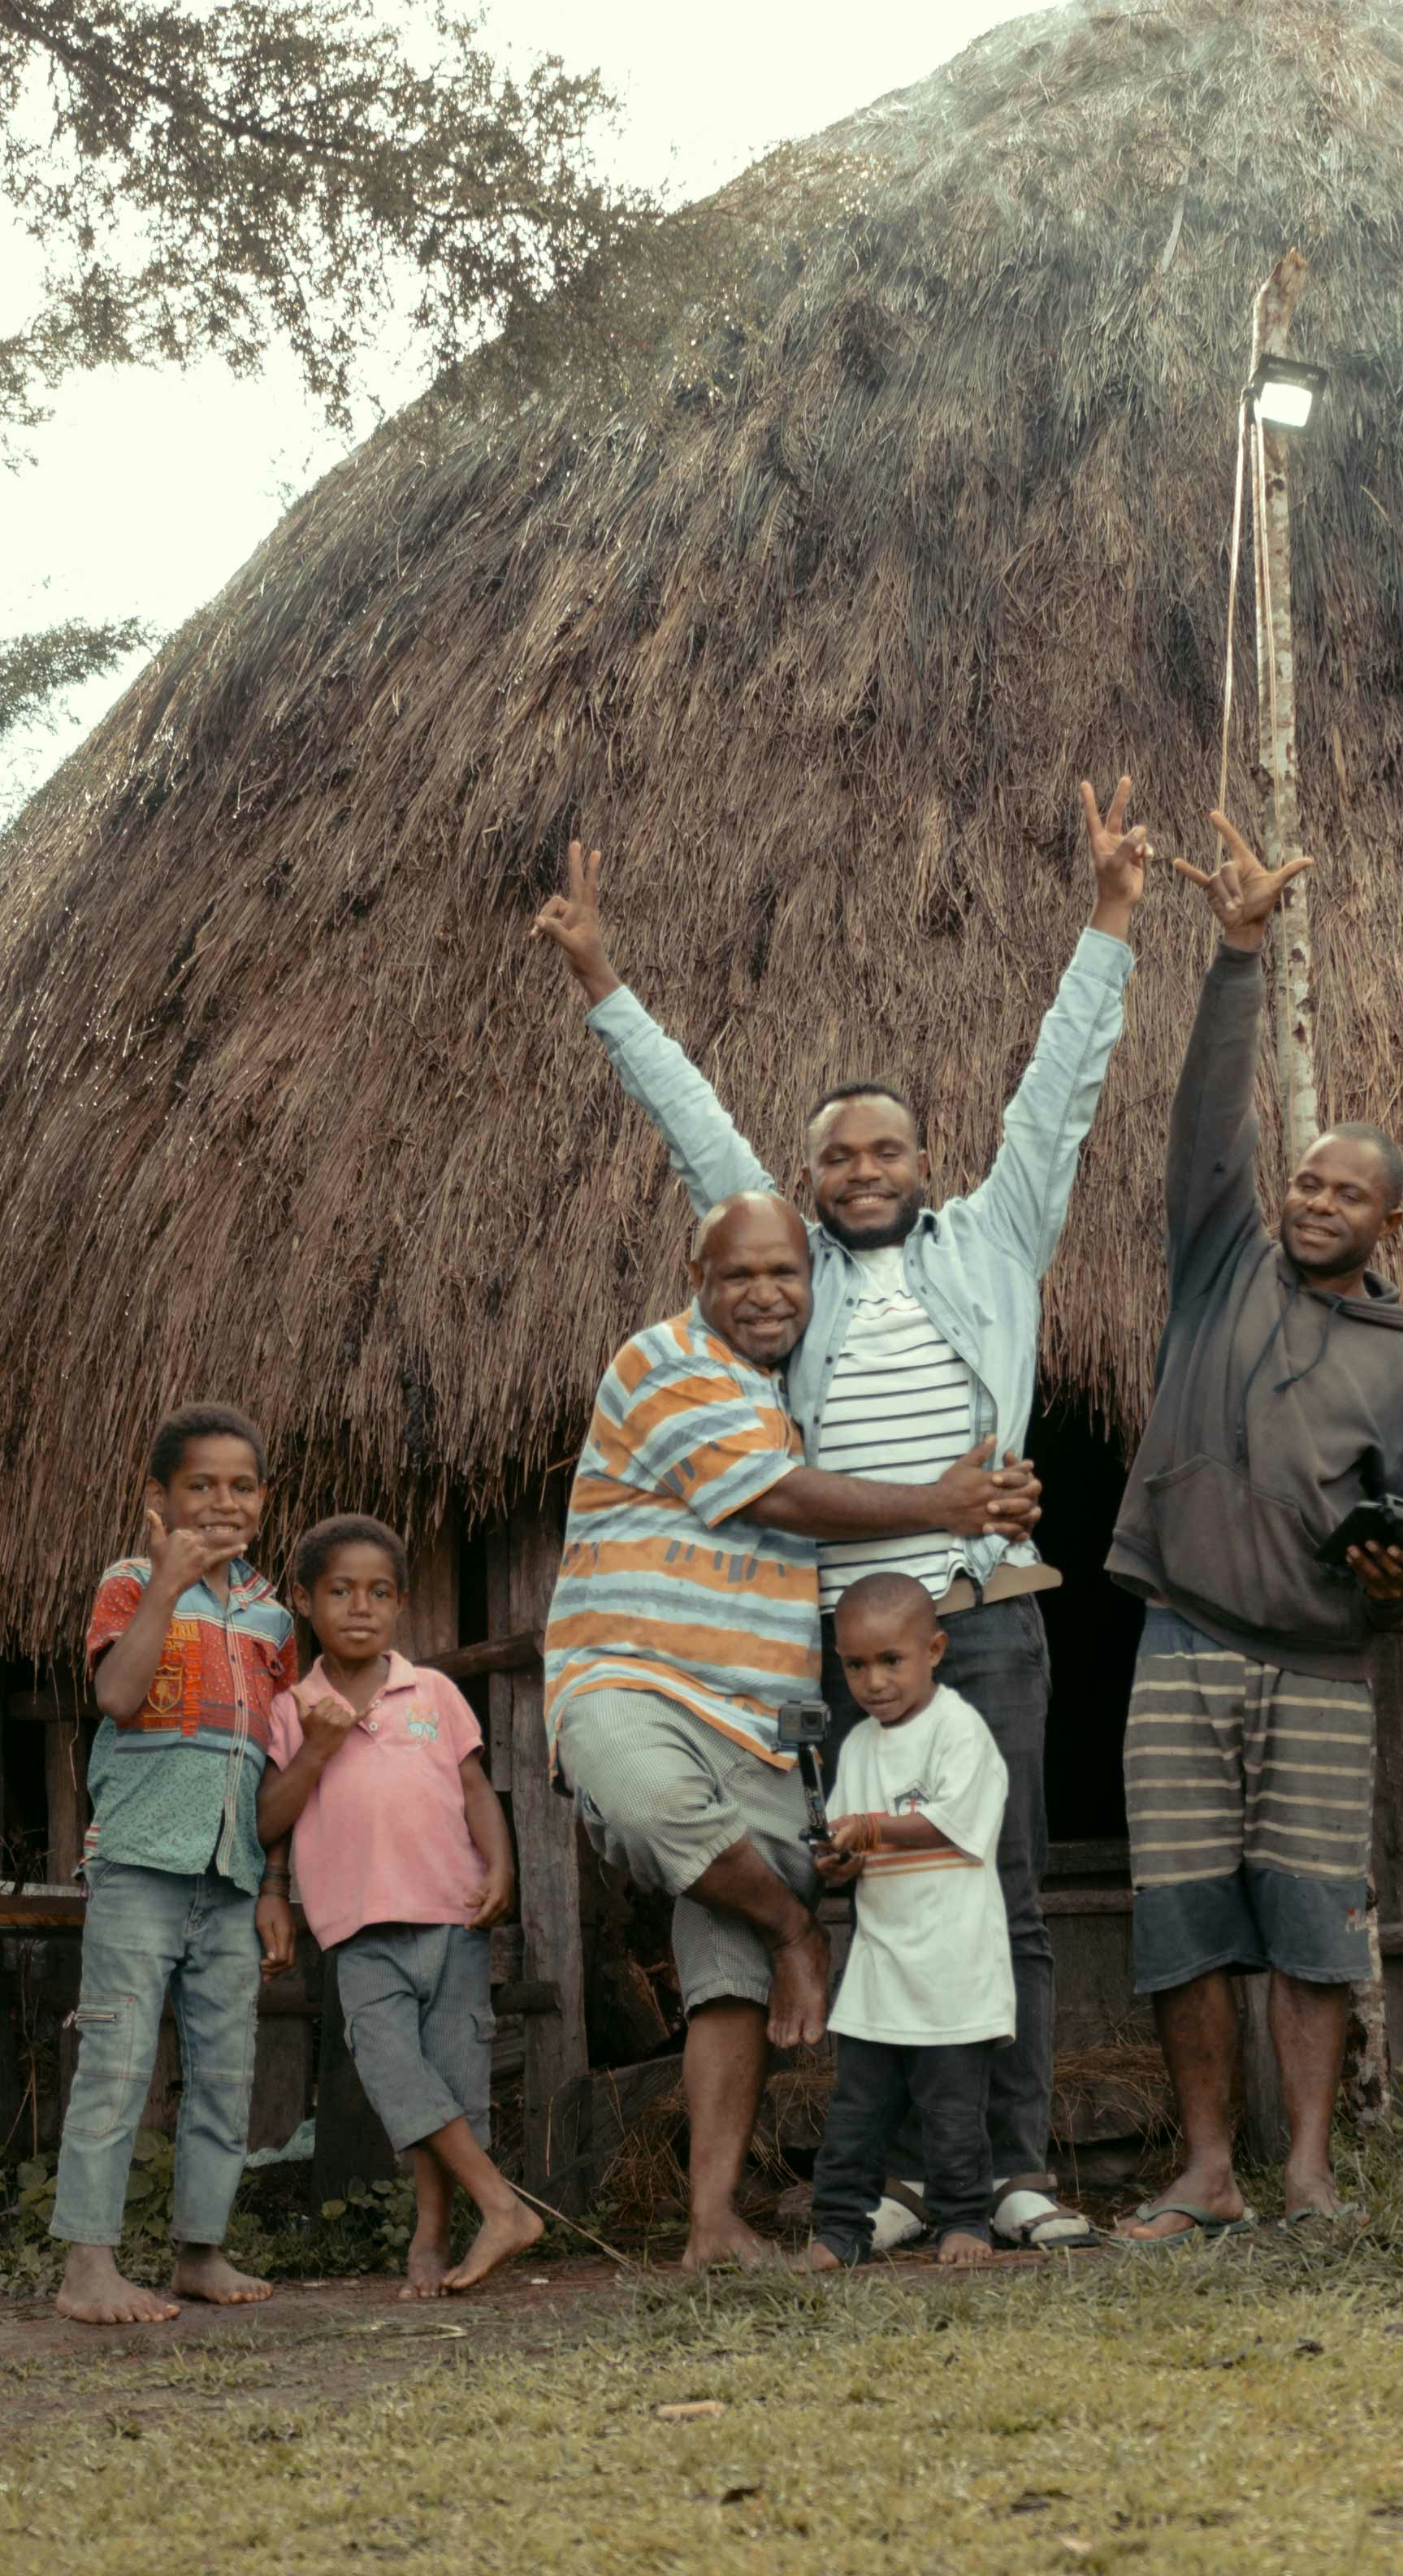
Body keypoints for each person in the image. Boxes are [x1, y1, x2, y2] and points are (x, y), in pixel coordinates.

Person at [530, 779, 1149, 2253]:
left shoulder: (995, 1243)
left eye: (883, 1151)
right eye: (835, 1160)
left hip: (975, 1617)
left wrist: (1111, 917)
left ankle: (998, 2170)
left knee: (995, 1894)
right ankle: (882, 2179)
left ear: (922, 1164)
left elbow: (1057, 1089)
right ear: (804, 1186)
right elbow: (693, 1129)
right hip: (826, 1636)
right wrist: (602, 981)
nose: (859, 1173)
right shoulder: (782, 1281)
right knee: (871, 1891)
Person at [546, 1188, 1041, 2268]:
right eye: (740, 1275)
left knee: (723, 1956)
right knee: (658, 1812)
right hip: (633, 1675)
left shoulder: (796, 1394)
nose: (766, 1293)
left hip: (759, 1717)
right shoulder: (662, 1365)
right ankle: (799, 1932)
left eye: (786, 1274)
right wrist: (942, 1505)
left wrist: (998, 1495)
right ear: (698, 1280)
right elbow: (781, 1499)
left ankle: (714, 2220)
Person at [1105, 813, 1403, 2246]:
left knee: (1309, 1919)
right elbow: (1203, 1116)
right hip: (1179, 1640)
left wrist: (1389, 1567)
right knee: (1182, 1911)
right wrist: (1235, 951)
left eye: (1342, 1191)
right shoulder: (1214, 1262)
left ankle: (1303, 2172)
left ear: (1385, 1218)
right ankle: (1205, 2170)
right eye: (1302, 1179)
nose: (1311, 1200)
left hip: (1318, 1668)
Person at [54, 1402, 299, 2325]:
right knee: (116, 2060)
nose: (222, 1502)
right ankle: (88, 2267)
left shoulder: (273, 1617)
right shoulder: (128, 1582)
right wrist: (166, 1583)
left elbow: (278, 1761)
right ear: (158, 1497)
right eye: (201, 1485)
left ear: (265, 1501)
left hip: (231, 1876)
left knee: (226, 2069)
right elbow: (118, 1695)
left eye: (241, 1487)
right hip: (140, 1866)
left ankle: (201, 2251)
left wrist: (276, 1883)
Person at [254, 1512, 535, 2301]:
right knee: (394, 2074)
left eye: (380, 1593)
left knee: (450, 2081)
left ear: (403, 1605)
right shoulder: (291, 1709)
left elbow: (476, 1791)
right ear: (304, 1600)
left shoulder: (435, 1692)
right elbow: (268, 1822)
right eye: (340, 1591)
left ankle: (433, 2239)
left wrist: (501, 1865)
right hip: (358, 1930)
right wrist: (316, 1746)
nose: (360, 1607)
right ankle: (501, 2207)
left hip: (454, 1919)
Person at [799, 1572, 1014, 2272]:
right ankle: (838, 2230)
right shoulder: (858, 1745)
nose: (874, 1681)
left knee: (954, 2115)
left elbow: (954, 1824)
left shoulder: (960, 1730)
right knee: (855, 2113)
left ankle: (964, 2221)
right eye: (856, 1665)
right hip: (881, 1969)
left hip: (953, 1970)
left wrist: (868, 1827)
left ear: (936, 1649)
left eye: (891, 1660)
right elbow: (857, 1845)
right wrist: (842, 1862)